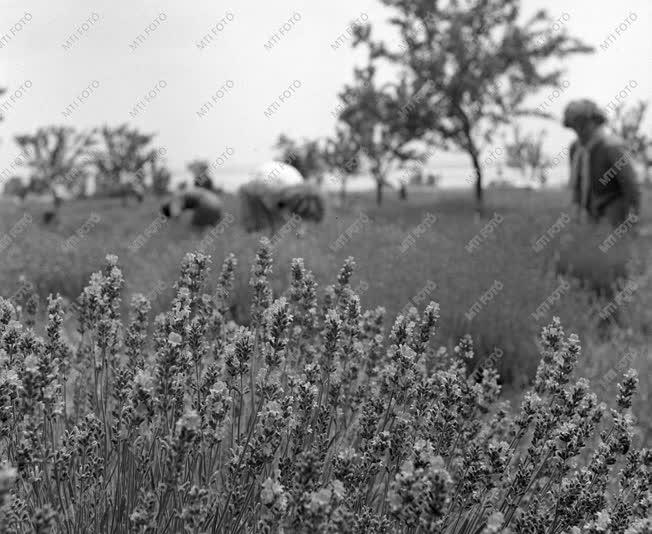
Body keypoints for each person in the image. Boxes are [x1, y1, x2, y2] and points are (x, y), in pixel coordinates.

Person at [562, 99, 640, 227]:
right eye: (574, 123)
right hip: (589, 208)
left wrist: (633, 214)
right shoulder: (575, 149)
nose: (578, 128)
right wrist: (576, 206)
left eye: (583, 122)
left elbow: (630, 183)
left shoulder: (612, 146)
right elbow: (577, 183)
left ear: (595, 121)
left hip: (613, 204)